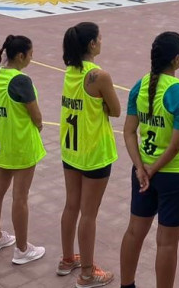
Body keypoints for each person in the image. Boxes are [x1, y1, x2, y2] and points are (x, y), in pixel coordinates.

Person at [120, 32, 179, 288]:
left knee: (134, 232)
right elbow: (175, 145)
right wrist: (152, 170)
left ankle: (126, 284)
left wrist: (140, 167)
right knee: (167, 242)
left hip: (142, 172)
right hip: (173, 174)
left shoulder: (139, 86)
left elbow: (128, 131)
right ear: (177, 59)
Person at [59, 23, 120, 287]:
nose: (102, 42)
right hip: (93, 151)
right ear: (92, 44)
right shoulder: (98, 76)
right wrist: (103, 104)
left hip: (70, 149)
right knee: (89, 213)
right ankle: (86, 273)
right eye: (99, 38)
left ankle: (67, 259)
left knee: (71, 205)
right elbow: (116, 110)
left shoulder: (70, 72)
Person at [0, 35, 46, 264]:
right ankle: (22, 249)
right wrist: (38, 125)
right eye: (31, 54)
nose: (32, 57)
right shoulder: (21, 81)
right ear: (21, 56)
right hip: (20, 145)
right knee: (20, 197)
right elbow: (36, 115)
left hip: (1, 144)